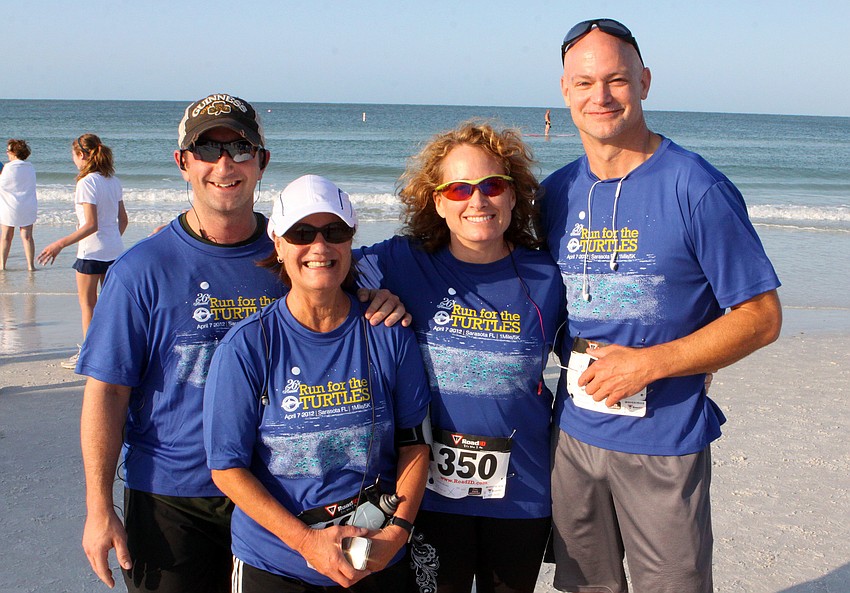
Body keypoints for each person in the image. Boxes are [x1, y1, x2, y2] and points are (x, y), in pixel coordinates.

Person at [76, 93, 406, 593]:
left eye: (241, 147)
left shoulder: (295, 252)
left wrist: (382, 297)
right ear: (183, 163)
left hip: (279, 498)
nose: (224, 163)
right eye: (207, 149)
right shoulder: (142, 271)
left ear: (262, 162)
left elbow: (354, 276)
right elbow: (107, 392)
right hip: (173, 498)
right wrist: (99, 508)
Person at [539, 19, 783, 593]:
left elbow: (761, 317)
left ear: (644, 82)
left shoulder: (695, 187)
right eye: (585, 82)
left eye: (617, 80)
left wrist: (649, 364)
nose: (601, 97)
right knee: (582, 585)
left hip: (664, 438)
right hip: (572, 435)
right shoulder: (555, 192)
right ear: (565, 91)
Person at [356, 121, 565, 593]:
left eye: (493, 186)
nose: (477, 201)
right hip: (427, 497)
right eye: (458, 189)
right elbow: (314, 259)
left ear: (514, 196)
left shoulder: (547, 276)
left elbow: (603, 332)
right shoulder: (399, 262)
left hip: (522, 492)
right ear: (437, 202)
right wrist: (201, 235)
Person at [204, 174, 431, 592]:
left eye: (335, 232)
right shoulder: (247, 345)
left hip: (374, 555)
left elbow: (414, 444)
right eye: (301, 233)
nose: (320, 247)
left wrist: (396, 534)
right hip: (277, 563)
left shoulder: (389, 331)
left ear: (351, 241)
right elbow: (226, 468)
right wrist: (307, 542)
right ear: (278, 243)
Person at [38, 134, 128, 368]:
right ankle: (112, 352)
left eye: (74, 156)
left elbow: (90, 225)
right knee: (109, 306)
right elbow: (123, 220)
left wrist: (59, 244)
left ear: (82, 155)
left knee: (88, 304)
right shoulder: (112, 180)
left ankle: (89, 354)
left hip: (90, 253)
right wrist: (112, 240)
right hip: (114, 252)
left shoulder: (86, 182)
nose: (74, 161)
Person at [0, 139, 38, 271]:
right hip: (27, 204)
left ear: (14, 152)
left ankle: (2, 266)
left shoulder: (8, 167)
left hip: (9, 206)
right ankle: (30, 266)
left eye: (8, 150)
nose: (6, 152)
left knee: (6, 236)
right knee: (27, 236)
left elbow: (3, 184)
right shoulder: (30, 167)